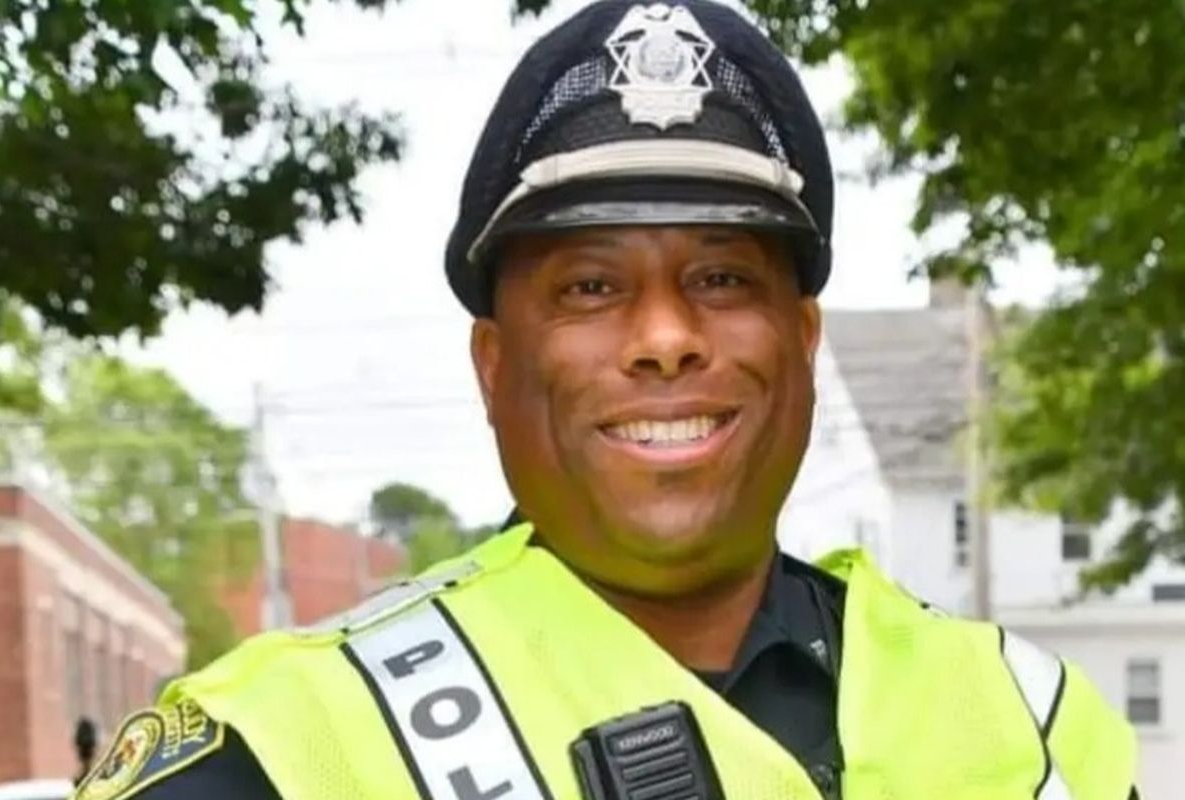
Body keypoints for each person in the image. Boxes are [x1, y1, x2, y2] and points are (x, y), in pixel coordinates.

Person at [74, 2, 1138, 799]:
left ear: (804, 339)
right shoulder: (286, 746)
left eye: (722, 277)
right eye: (590, 287)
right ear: (493, 365)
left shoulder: (1033, 722)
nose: (667, 337)